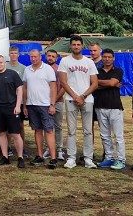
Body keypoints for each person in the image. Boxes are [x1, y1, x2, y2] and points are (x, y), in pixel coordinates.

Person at [58, 35, 99, 169]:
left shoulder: (89, 62)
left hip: (87, 100)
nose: (76, 46)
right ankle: (71, 158)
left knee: (88, 131)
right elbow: (63, 82)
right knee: (71, 131)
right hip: (71, 99)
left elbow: (95, 83)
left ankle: (88, 158)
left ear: (82, 46)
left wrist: (83, 96)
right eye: (74, 44)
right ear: (70, 46)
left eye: (78, 44)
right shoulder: (65, 61)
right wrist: (75, 96)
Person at [23, 49, 58, 169]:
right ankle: (39, 155)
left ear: (40, 57)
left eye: (35, 57)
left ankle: (53, 158)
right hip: (31, 104)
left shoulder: (48, 69)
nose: (33, 59)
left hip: (45, 104)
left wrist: (52, 104)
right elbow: (25, 88)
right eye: (31, 57)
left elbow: (53, 88)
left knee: (49, 130)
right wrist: (24, 105)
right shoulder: (27, 70)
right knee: (37, 130)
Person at [0, 55, 25, 168]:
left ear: (4, 62)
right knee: (1, 133)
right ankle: (5, 157)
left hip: (11, 108)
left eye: (0, 62)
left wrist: (18, 106)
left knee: (15, 133)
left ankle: (20, 157)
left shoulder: (12, 74)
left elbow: (19, 90)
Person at [95, 49, 125, 170]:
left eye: (109, 57)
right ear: (102, 58)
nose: (107, 59)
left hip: (115, 106)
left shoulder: (118, 70)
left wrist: (99, 83)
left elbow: (113, 83)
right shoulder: (97, 71)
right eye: (105, 57)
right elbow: (93, 84)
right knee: (105, 135)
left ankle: (121, 160)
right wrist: (106, 84)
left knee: (118, 135)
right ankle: (109, 157)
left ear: (113, 58)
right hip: (100, 106)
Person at [44, 49, 66, 161]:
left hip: (58, 101)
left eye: (53, 56)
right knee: (47, 127)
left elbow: (64, 86)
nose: (50, 58)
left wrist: (54, 100)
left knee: (58, 126)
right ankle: (48, 148)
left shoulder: (59, 70)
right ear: (46, 56)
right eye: (49, 56)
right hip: (44, 103)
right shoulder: (42, 69)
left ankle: (59, 149)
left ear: (56, 58)